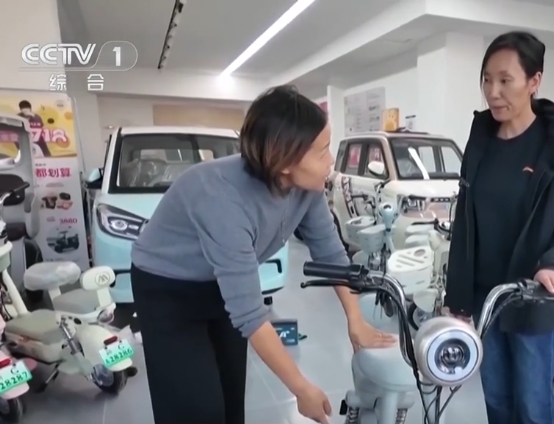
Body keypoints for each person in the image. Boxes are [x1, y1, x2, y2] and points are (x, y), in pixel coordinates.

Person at [130, 86, 396, 424]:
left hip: (220, 283)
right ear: (284, 160)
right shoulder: (222, 197)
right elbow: (251, 316)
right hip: (167, 287)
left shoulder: (306, 188)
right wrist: (301, 388)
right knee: (196, 410)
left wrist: (355, 320)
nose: (331, 160)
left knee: (230, 400)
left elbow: (330, 254)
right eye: (322, 151)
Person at [444, 32, 554, 424]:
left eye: (505, 80)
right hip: (486, 297)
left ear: (534, 81)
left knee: (532, 404)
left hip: (533, 296)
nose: (493, 92)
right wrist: (457, 298)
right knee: (496, 398)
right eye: (486, 80)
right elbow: (465, 221)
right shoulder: (481, 138)